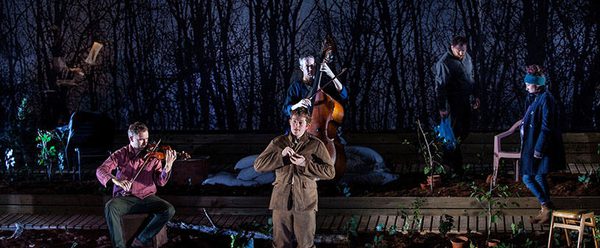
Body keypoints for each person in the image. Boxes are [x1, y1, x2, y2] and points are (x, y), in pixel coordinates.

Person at [254, 107, 335, 248]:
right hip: (280, 200)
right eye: (294, 122)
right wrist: (281, 156)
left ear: (308, 125)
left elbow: (330, 172)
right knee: (280, 244)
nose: (296, 126)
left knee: (305, 245)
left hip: (305, 201)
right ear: (289, 122)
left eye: (301, 123)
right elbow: (258, 165)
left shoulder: (315, 145)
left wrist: (305, 164)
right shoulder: (278, 142)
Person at [96, 122, 176, 248]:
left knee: (169, 209)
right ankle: (119, 246)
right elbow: (101, 170)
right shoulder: (121, 154)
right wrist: (116, 181)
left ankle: (140, 240)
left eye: (147, 139)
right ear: (131, 138)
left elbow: (160, 182)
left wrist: (167, 167)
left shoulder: (153, 156)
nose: (145, 144)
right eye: (141, 140)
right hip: (125, 199)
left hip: (147, 198)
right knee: (110, 207)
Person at [519, 65, 565, 224]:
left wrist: (538, 149)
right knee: (538, 176)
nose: (526, 87)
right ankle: (546, 211)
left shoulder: (546, 99)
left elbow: (547, 127)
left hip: (541, 148)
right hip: (534, 145)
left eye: (528, 84)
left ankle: (547, 206)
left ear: (537, 84)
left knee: (527, 177)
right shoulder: (536, 98)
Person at [434, 35, 480, 175]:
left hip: (465, 99)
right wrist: (442, 107)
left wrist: (475, 95)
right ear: (452, 47)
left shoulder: (467, 58)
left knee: (464, 130)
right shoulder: (444, 63)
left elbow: (470, 78)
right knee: (453, 133)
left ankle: (450, 162)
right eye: (458, 50)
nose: (461, 53)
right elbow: (440, 86)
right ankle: (454, 167)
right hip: (452, 102)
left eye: (463, 50)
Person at [282, 54, 348, 120]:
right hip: (301, 127)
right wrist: (298, 105)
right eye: (307, 66)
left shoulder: (322, 85)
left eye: (312, 66)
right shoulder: (295, 86)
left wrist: (331, 74)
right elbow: (285, 110)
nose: (310, 69)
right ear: (301, 68)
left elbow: (343, 95)